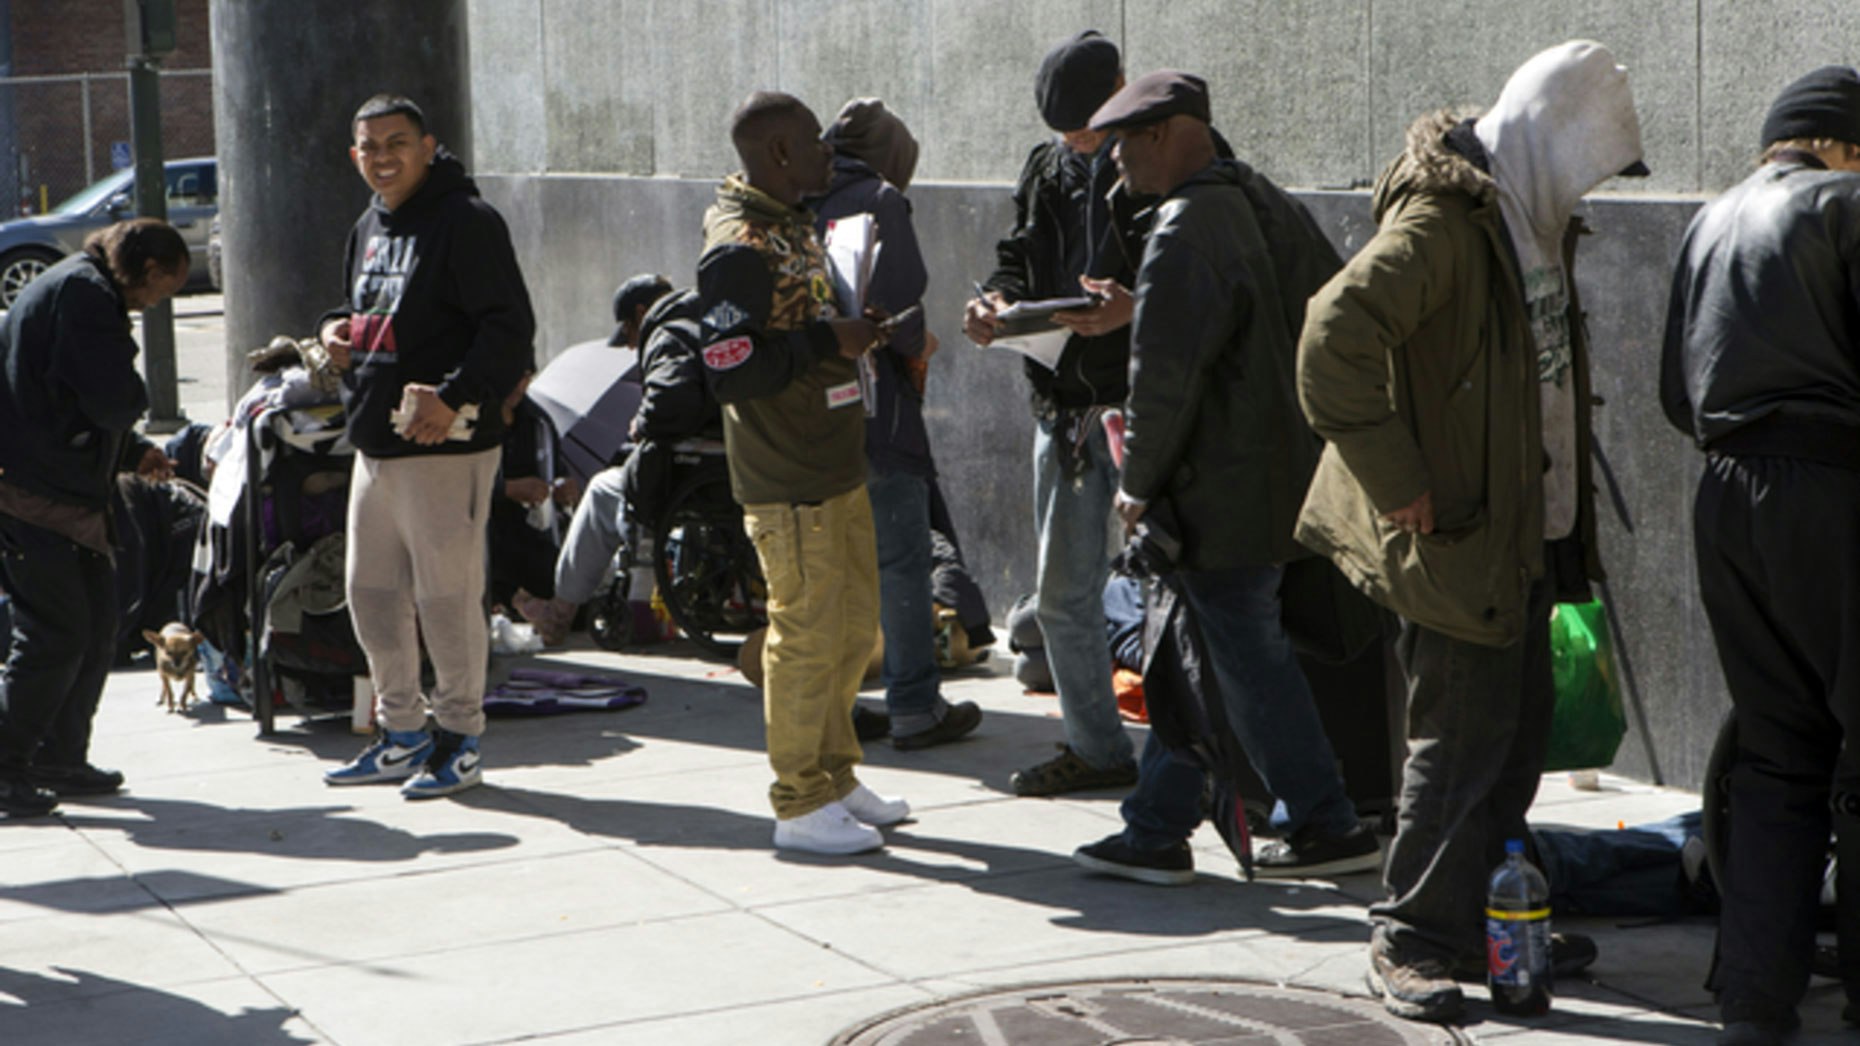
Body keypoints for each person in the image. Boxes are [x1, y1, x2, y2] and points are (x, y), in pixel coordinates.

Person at [1295, 41, 1644, 1022]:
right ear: (1547, 138)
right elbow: (1330, 338)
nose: (1590, 189)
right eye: (1587, 164)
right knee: (1456, 746)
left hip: (1521, 528)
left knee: (1514, 738)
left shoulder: (1530, 215)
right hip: (1458, 533)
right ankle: (1412, 936)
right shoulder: (1446, 223)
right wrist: (1399, 480)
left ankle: (1493, 917)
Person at [1065, 71, 1379, 884]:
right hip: (1273, 479)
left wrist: (1136, 483)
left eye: (1125, 143)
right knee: (1200, 656)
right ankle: (1157, 827)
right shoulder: (1257, 197)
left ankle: (1326, 823)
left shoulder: (1185, 224)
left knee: (1244, 663)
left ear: (1165, 134)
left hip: (1219, 494)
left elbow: (1163, 378)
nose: (1116, 161)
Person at [1660, 65, 1860, 1046]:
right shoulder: (1844, 206)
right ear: (1846, 145)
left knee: (1778, 751)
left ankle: (1753, 1000)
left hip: (1724, 492)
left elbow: (1675, 392)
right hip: (1830, 487)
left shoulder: (1710, 220)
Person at [696, 91, 900, 855]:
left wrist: (851, 329)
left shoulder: (789, 218)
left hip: (833, 462)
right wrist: (826, 341)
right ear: (780, 152)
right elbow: (728, 368)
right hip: (789, 479)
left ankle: (836, 775)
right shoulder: (740, 245)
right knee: (806, 637)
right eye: (815, 141)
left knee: (851, 629)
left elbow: (803, 317)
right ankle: (799, 800)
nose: (828, 152)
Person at [317, 95, 535, 799]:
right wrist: (334, 331)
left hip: (445, 445)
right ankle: (402, 732)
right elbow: (362, 307)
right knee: (371, 594)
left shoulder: (466, 220)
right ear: (354, 155)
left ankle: (460, 739)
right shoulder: (369, 223)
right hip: (376, 444)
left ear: (428, 146)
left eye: (397, 143)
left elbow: (509, 329)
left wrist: (453, 396)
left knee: (447, 599)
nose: (383, 157)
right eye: (369, 146)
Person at [962, 29, 1143, 797]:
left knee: (1190, 594)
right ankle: (1098, 749)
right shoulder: (1048, 167)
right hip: (1065, 407)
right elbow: (1018, 252)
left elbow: (1212, 274)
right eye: (1066, 133)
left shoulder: (1164, 155)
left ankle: (1205, 760)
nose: (1079, 144)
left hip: (1147, 407)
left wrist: (1133, 308)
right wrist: (996, 302)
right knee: (1064, 594)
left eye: (1088, 130)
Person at [0, 218, 188, 816]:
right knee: (55, 632)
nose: (155, 303)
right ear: (148, 269)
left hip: (62, 490)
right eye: (163, 289)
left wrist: (132, 451)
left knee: (99, 625)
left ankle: (59, 755)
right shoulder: (86, 296)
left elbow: (67, 397)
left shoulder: (79, 285)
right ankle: (7, 765)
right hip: (35, 494)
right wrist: (136, 410)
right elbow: (111, 397)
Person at [813, 97, 982, 750]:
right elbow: (899, 305)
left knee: (829, 568)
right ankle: (914, 705)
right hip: (877, 408)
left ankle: (836, 706)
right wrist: (918, 342)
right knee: (902, 561)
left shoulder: (796, 195)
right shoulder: (881, 200)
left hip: (810, 413)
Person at [523, 282, 720, 643]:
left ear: (641, 314)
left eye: (629, 332)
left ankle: (561, 610)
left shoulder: (670, 335)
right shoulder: (711, 322)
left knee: (601, 489)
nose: (630, 346)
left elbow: (671, 402)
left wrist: (641, 424)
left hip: (692, 471)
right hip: (720, 464)